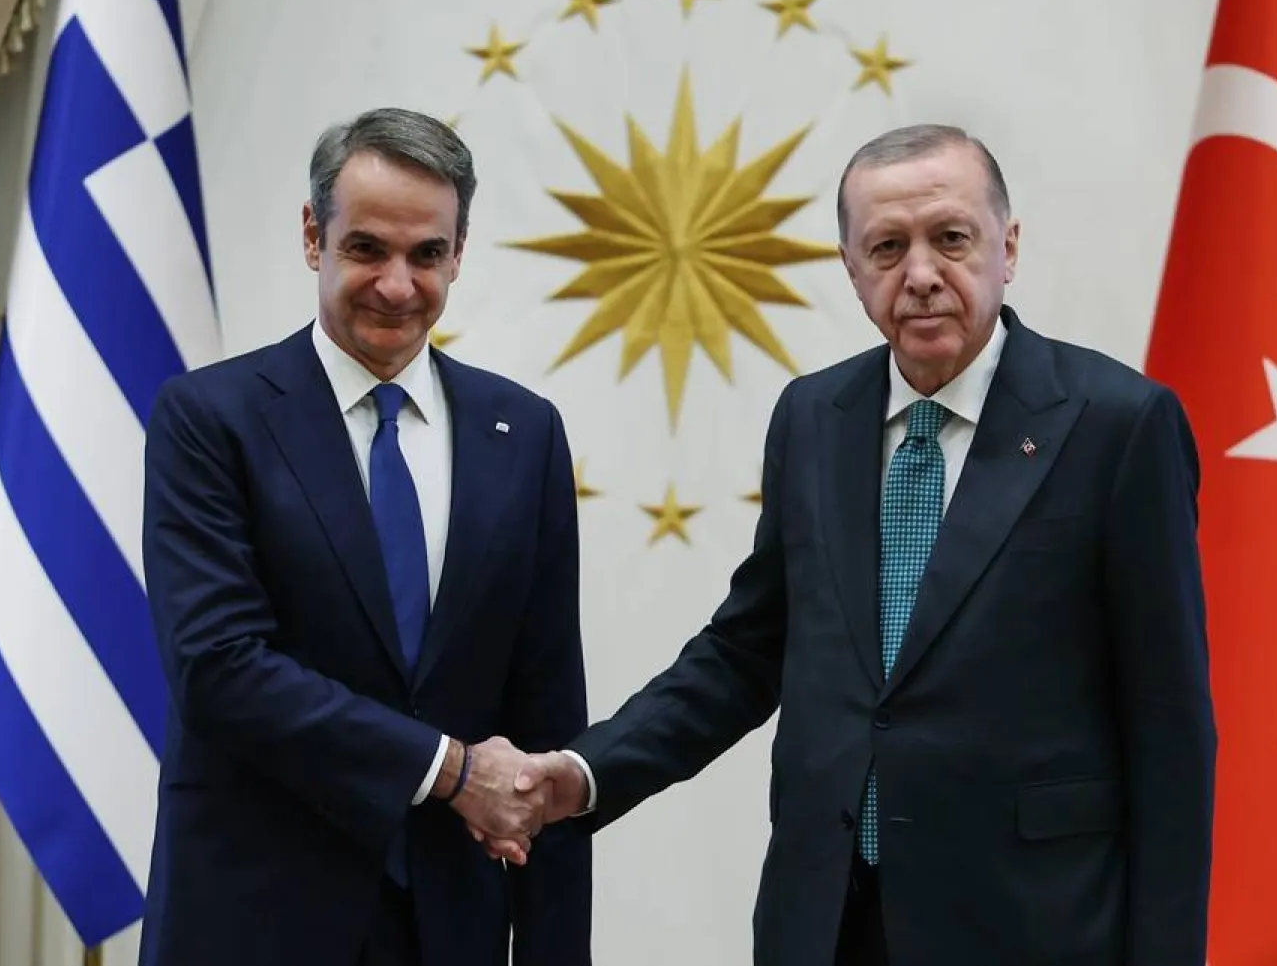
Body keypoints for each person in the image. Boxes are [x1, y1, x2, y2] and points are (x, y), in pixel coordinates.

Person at [507, 125, 1216, 964]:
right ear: (851, 269)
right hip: (829, 921)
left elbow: (1170, 730)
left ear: (1008, 247)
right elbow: (746, 650)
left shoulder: (1118, 425)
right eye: (886, 247)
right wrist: (588, 769)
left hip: (1032, 924)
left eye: (951, 238)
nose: (920, 275)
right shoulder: (813, 419)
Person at [139, 108, 591, 966]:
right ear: (314, 237)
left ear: (460, 252)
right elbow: (219, 667)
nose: (396, 284)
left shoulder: (523, 432)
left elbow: (545, 720)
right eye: (366, 249)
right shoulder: (210, 420)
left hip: (449, 927)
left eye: (426, 254)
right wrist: (450, 768)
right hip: (254, 924)